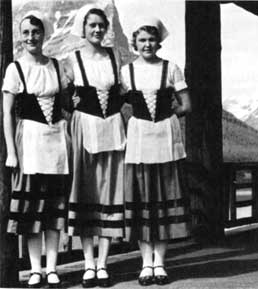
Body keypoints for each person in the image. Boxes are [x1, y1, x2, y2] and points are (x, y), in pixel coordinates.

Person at [121, 17, 191, 286]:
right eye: (142, 40)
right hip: (139, 138)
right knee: (142, 198)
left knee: (162, 198)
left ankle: (160, 262)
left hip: (164, 136)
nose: (147, 44)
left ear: (158, 42)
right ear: (135, 43)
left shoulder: (170, 68)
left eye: (151, 39)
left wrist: (167, 116)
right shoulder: (126, 72)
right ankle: (145, 263)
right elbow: (117, 102)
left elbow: (186, 104)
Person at [2, 11, 70, 288]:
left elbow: (67, 104)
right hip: (29, 142)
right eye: (26, 32)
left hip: (56, 142)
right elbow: (6, 114)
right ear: (21, 36)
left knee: (53, 210)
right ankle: (35, 269)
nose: (31, 37)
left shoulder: (56, 65)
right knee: (32, 212)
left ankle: (52, 268)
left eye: (36, 32)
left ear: (44, 34)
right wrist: (11, 152)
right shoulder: (15, 69)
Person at [65, 5, 126, 288]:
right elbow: (61, 97)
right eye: (92, 25)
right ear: (83, 28)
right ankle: (88, 263)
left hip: (112, 127)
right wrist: (71, 106)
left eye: (101, 25)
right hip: (84, 129)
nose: (97, 30)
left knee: (109, 192)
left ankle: (103, 263)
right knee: (86, 191)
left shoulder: (116, 57)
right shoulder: (72, 60)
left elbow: (125, 93)